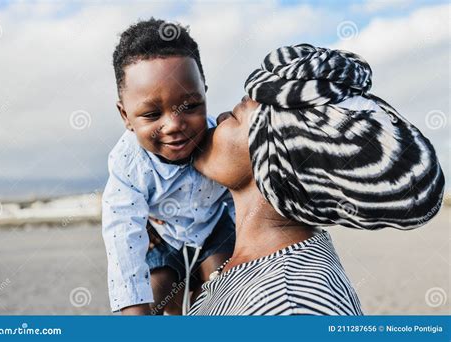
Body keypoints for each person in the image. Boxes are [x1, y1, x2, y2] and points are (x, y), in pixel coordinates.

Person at [188, 44, 445, 315]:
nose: (220, 118)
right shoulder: (255, 264)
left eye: (236, 116)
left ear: (273, 158)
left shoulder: (291, 304)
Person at [102, 18, 235, 315]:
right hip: (164, 238)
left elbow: (245, 194)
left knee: (223, 284)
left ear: (204, 93)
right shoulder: (128, 164)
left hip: (215, 229)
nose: (174, 125)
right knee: (157, 292)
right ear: (125, 115)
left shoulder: (220, 140)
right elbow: (122, 235)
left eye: (190, 106)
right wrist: (134, 311)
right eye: (151, 114)